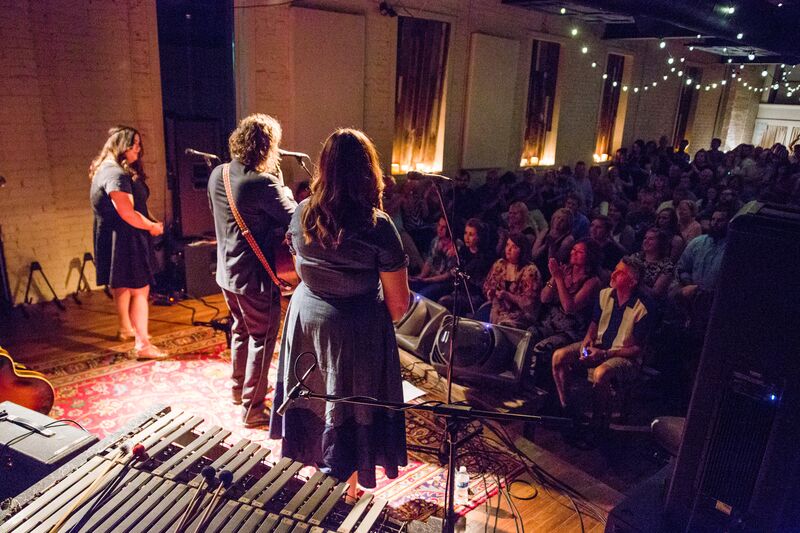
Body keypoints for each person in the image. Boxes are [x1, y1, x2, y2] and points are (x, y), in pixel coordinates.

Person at [269, 128, 409, 489]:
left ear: (324, 168)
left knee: (314, 396)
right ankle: (342, 494)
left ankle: (322, 479)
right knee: (346, 408)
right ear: (369, 172)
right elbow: (399, 306)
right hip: (353, 330)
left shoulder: (301, 213)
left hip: (306, 320)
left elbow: (298, 268)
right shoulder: (378, 227)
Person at [208, 114, 297, 428]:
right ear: (266, 147)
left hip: (226, 273)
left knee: (240, 331)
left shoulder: (217, 173)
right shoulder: (262, 183)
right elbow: (295, 219)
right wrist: (284, 191)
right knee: (262, 337)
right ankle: (253, 409)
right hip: (254, 277)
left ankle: (239, 391)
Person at [552, 256, 653, 433]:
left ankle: (598, 422)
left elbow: (637, 349)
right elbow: (594, 323)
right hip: (599, 347)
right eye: (615, 269)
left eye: (620, 273)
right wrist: (586, 342)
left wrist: (605, 355)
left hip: (623, 356)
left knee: (601, 373)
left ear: (632, 282)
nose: (613, 274)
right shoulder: (605, 294)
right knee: (559, 356)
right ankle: (565, 405)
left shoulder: (642, 308)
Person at [89, 126, 165, 359]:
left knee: (121, 284)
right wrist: (152, 226)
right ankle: (143, 345)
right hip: (127, 240)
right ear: (123, 146)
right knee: (141, 290)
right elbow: (127, 213)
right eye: (135, 145)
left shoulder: (103, 168)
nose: (138, 150)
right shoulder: (116, 174)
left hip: (113, 238)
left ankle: (126, 328)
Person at [481, 233, 542, 329]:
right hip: (498, 310)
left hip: (519, 315)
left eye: (514, 247)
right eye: (507, 245)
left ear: (522, 250)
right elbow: (487, 285)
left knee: (503, 326)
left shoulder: (530, 270)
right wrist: (491, 292)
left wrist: (508, 296)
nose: (508, 250)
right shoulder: (500, 264)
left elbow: (530, 304)